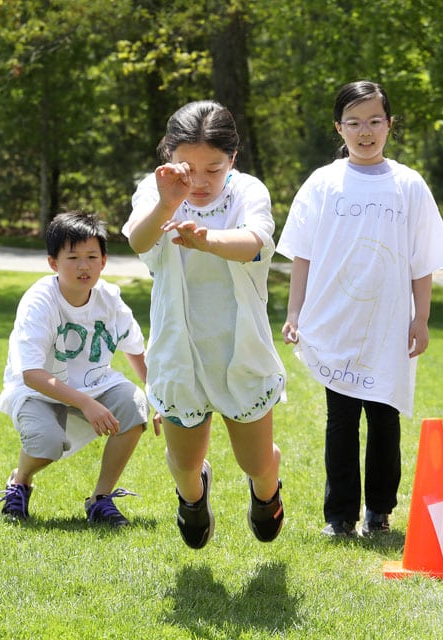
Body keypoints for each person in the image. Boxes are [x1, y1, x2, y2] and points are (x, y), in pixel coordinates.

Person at [277, 80, 443, 537]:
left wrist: (421, 318)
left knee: (384, 416)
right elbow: (302, 254)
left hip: (388, 324)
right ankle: (339, 515)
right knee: (340, 419)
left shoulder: (408, 185)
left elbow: (422, 258)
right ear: (339, 128)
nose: (365, 131)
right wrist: (295, 312)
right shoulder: (323, 183)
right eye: (354, 122)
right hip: (336, 321)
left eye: (375, 121)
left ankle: (379, 510)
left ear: (390, 125)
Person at [123, 100, 286, 550]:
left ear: (232, 158)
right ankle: (193, 499)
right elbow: (138, 240)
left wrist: (207, 240)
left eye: (213, 169)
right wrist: (166, 204)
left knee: (255, 462)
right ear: (169, 155)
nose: (199, 181)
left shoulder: (247, 191)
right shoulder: (155, 189)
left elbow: (255, 242)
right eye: (187, 168)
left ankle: (266, 492)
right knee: (185, 463)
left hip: (240, 349)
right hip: (179, 352)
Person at [0, 211, 159, 525]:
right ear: (53, 263)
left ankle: (100, 499)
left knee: (135, 404)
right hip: (37, 391)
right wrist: (86, 404)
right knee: (46, 444)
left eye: (91, 257)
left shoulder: (109, 298)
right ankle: (20, 481)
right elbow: (31, 374)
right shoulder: (39, 301)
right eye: (72, 258)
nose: (84, 266)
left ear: (104, 261)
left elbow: (136, 351)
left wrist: (160, 400)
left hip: (95, 385)